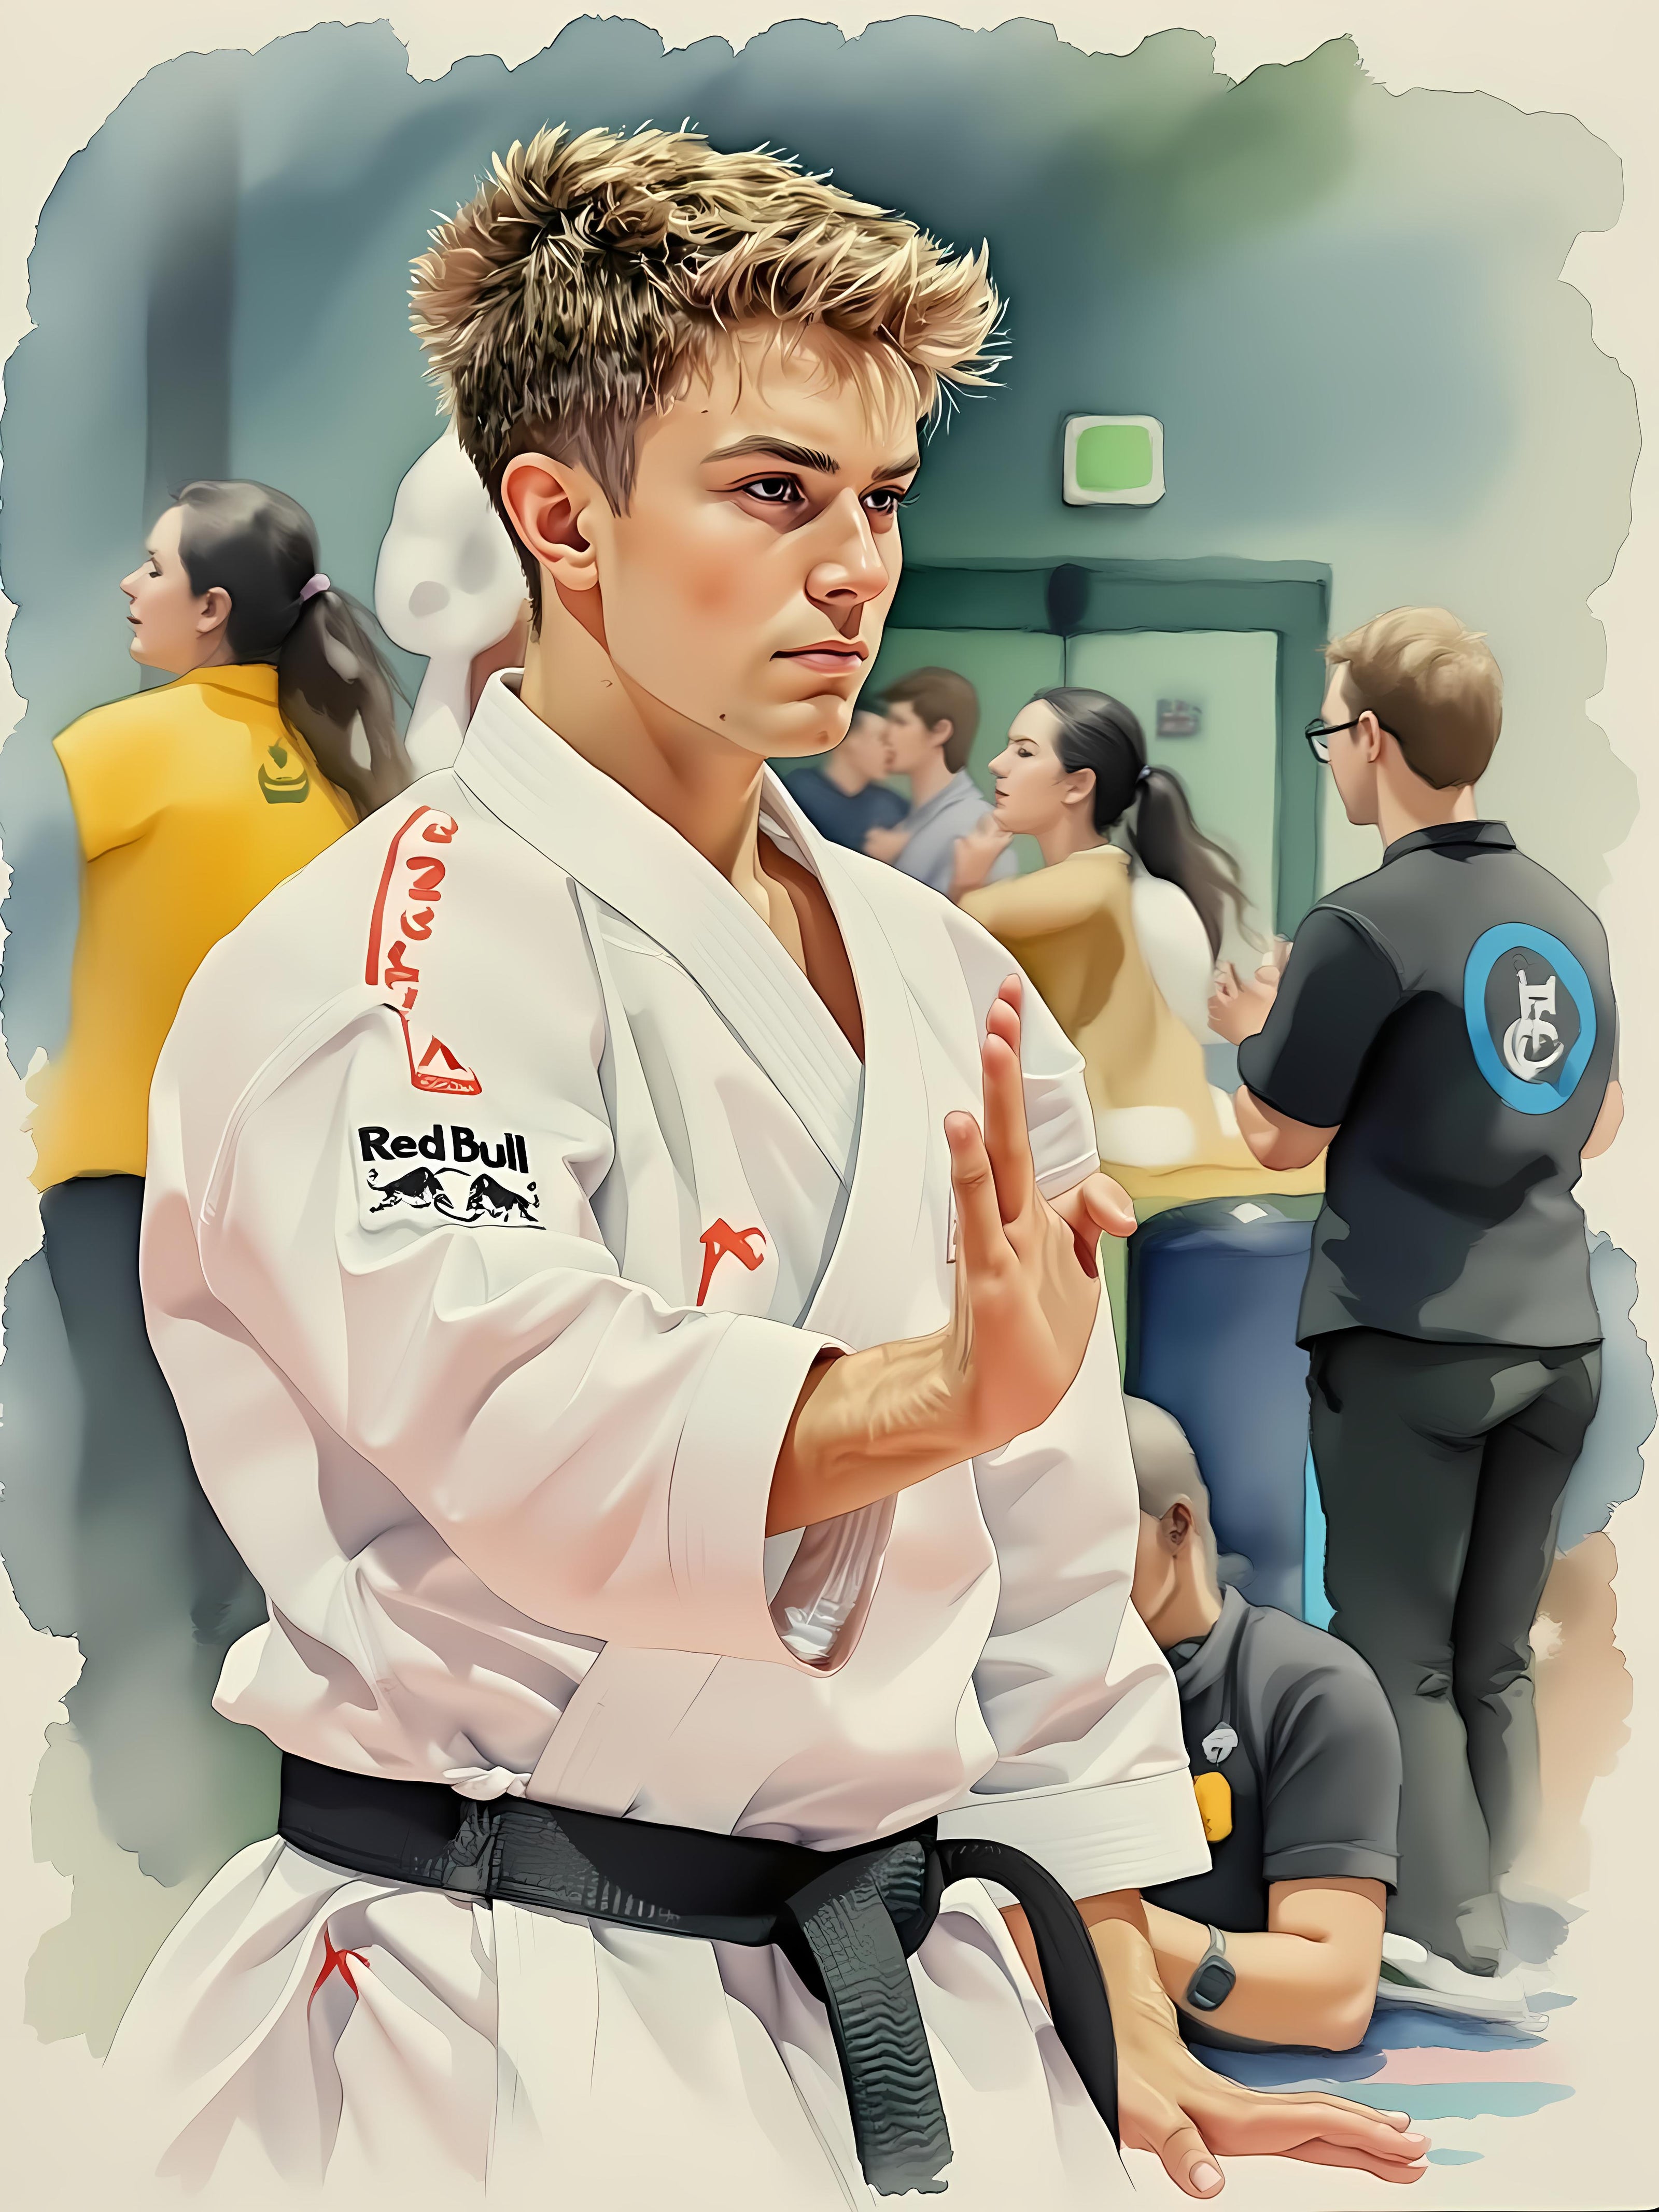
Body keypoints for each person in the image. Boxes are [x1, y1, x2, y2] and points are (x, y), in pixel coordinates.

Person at [109, 128, 1427, 2205]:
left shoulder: (945, 975)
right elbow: (526, 1428)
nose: (856, 567)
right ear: (561, 517)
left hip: (921, 1985)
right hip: (495, 1987)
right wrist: (931, 1396)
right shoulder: (373, 959)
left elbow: (1043, 1552)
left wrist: (1114, 1980)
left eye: (879, 497)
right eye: (774, 490)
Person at [1208, 606, 1623, 1981]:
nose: (1332, 756)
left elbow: (1278, 1137)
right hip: (1555, 1339)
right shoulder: (1564, 915)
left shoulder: (1364, 923)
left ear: (1374, 738)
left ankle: (1446, 1938)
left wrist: (1252, 1036)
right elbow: (1602, 1115)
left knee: (1400, 1651)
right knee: (1494, 1652)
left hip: (1412, 1339)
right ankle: (1509, 1905)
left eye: (1333, 732)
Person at [20, 482, 411, 1894]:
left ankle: (125, 1782)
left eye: (153, 570)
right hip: (279, 1184)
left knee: (126, 1450)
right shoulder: (347, 776)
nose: (131, 588)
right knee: (240, 1447)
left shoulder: (116, 753)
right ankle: (249, 1716)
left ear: (212, 609)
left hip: (120, 1170)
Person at [952, 688, 1320, 1208]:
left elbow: (956, 928)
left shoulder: (1086, 888)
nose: (997, 764)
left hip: (1130, 1128)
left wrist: (967, 876)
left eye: (1024, 751)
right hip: (1147, 1115)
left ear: (1078, 784)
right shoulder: (1100, 878)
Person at [1124, 1397, 1399, 2053]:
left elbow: (1330, 1997)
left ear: (1176, 1527)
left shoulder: (1311, 1689)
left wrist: (1076, 1922)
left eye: (1082, 1540)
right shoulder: (1005, 1691)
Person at [866, 664, 1018, 894]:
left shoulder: (977, 827)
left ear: (940, 731)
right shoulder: (912, 821)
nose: (885, 733)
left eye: (900, 722)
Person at [784, 703, 906, 849]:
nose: (892, 751)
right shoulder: (796, 791)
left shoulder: (893, 806)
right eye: (883, 740)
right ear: (846, 740)